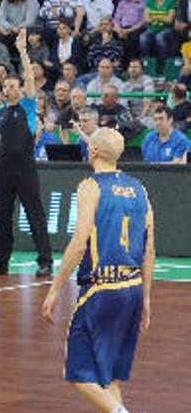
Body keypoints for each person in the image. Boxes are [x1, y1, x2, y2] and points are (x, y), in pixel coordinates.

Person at [40, 128, 154, 413]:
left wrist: (55, 288)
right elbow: (149, 250)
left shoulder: (90, 186)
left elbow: (79, 243)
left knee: (78, 373)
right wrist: (147, 299)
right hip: (133, 287)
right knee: (109, 375)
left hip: (102, 289)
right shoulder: (140, 188)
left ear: (92, 152)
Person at [0, 30, 53, 277]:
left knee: (35, 215)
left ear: (20, 88)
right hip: (3, 169)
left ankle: (45, 261)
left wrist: (23, 50)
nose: (8, 89)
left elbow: (28, 75)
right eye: (5, 86)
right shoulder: (1, 110)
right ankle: (1, 261)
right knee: (3, 217)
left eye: (12, 85)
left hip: (25, 168)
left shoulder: (27, 105)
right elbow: (0, 131)